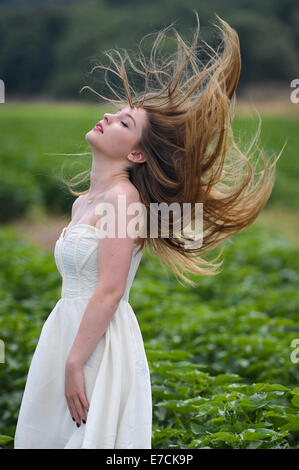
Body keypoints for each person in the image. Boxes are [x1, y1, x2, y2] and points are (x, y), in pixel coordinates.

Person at [14, 11, 283, 449]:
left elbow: (110, 289)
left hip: (95, 344)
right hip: (66, 331)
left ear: (137, 155)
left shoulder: (124, 200)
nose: (108, 116)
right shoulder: (85, 201)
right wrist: (66, 354)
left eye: (124, 123)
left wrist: (75, 361)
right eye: (117, 113)